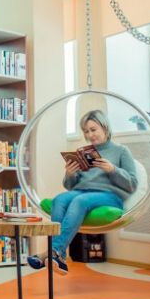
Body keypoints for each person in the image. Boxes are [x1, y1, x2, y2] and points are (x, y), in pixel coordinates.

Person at [27, 109, 137, 275]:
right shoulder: (85, 153)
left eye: (93, 130)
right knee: (60, 199)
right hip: (82, 191)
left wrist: (113, 170)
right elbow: (71, 186)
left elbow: (132, 184)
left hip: (110, 195)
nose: (89, 135)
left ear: (105, 127)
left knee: (80, 201)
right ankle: (57, 254)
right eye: (86, 131)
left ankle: (53, 252)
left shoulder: (121, 151)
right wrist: (70, 174)